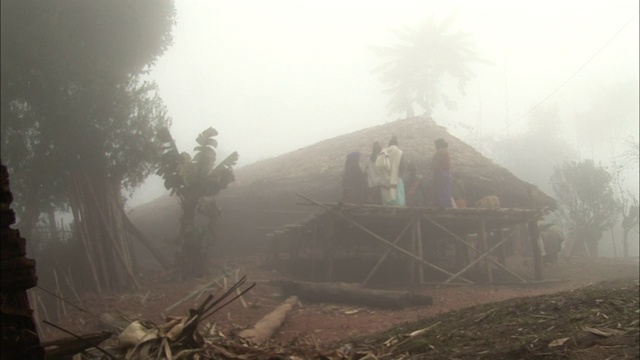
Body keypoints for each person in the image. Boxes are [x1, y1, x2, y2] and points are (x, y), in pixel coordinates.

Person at [377, 136, 405, 206]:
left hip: (384, 181)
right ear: (397, 145)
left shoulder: (383, 153)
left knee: (387, 201)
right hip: (396, 180)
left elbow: (378, 166)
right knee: (398, 201)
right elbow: (402, 167)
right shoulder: (399, 153)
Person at [431, 138, 456, 208]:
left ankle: (442, 207)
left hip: (441, 174)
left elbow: (434, 165)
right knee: (446, 192)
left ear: (439, 144)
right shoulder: (446, 151)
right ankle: (447, 206)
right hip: (447, 174)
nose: (435, 146)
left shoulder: (440, 151)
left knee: (441, 192)